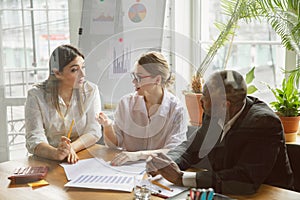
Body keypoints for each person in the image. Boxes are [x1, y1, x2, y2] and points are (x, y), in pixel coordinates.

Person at [146, 70, 293, 195]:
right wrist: (167, 164)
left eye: (204, 97)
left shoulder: (264, 123)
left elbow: (245, 180)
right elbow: (191, 148)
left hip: (269, 194)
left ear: (224, 105)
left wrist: (181, 178)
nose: (201, 102)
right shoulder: (214, 113)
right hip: (226, 191)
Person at [96, 51, 187, 166]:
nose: (133, 81)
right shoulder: (126, 103)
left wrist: (138, 155)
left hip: (157, 171)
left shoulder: (177, 110)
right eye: (134, 76)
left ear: (157, 80)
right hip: (126, 170)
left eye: (139, 77)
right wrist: (108, 126)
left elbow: (174, 151)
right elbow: (114, 144)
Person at [25, 44, 102, 164]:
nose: (83, 74)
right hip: (48, 159)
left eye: (83, 67)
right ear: (57, 73)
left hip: (81, 156)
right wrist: (55, 153)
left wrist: (71, 148)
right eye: (75, 70)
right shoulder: (36, 95)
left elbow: (94, 131)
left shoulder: (91, 90)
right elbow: (34, 137)